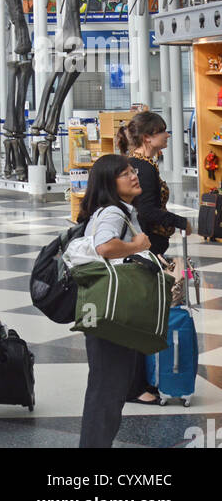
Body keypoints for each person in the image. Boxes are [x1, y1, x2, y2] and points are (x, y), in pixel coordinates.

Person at [66, 154, 155, 448]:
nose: (134, 176)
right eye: (125, 173)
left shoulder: (120, 211)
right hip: (110, 313)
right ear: (109, 183)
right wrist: (137, 244)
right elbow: (105, 247)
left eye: (133, 171)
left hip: (109, 310)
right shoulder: (114, 213)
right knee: (106, 389)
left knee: (110, 387)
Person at [119, 111, 191, 256]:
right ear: (147, 138)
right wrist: (181, 222)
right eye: (162, 131)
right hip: (146, 243)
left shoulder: (135, 163)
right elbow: (146, 211)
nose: (167, 135)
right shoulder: (144, 168)